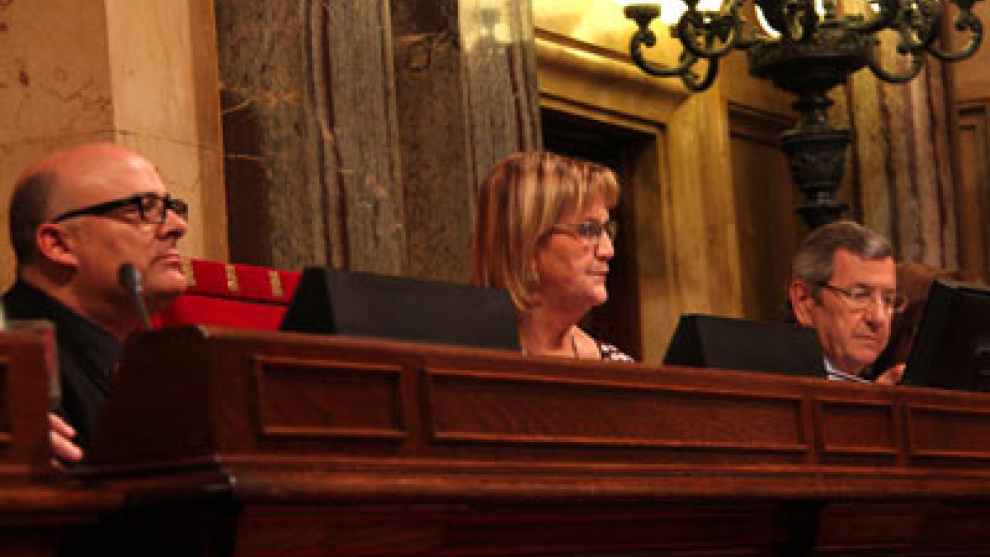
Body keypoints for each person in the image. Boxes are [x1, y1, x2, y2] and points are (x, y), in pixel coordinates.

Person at [2, 142, 189, 464]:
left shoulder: (162, 363)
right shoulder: (8, 354)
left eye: (171, 207)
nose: (177, 226)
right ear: (58, 245)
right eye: (143, 208)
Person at [472, 151, 633, 361]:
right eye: (588, 229)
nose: (608, 250)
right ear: (526, 243)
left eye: (607, 230)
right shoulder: (459, 361)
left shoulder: (619, 367)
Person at [788, 220, 905, 384]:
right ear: (804, 301)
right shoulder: (769, 386)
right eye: (860, 296)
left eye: (888, 300)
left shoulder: (887, 383)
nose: (878, 318)